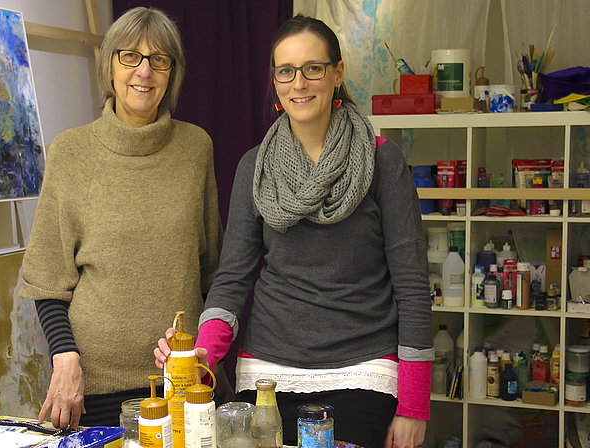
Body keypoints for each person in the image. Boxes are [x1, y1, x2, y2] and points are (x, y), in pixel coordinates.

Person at [155, 14, 433, 448]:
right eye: (285, 71)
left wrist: (414, 405)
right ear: (275, 80)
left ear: (337, 74)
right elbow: (231, 280)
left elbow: (413, 287)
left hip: (363, 371)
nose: (298, 83)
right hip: (266, 374)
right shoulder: (256, 166)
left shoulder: (383, 161)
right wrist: (204, 355)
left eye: (313, 68)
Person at [19, 7, 231, 429]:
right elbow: (47, 279)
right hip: (94, 390)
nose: (144, 71)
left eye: (159, 59)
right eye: (129, 56)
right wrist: (65, 359)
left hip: (184, 385)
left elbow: (216, 274)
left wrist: (209, 356)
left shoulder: (195, 149)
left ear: (172, 73)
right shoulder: (71, 152)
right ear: (109, 66)